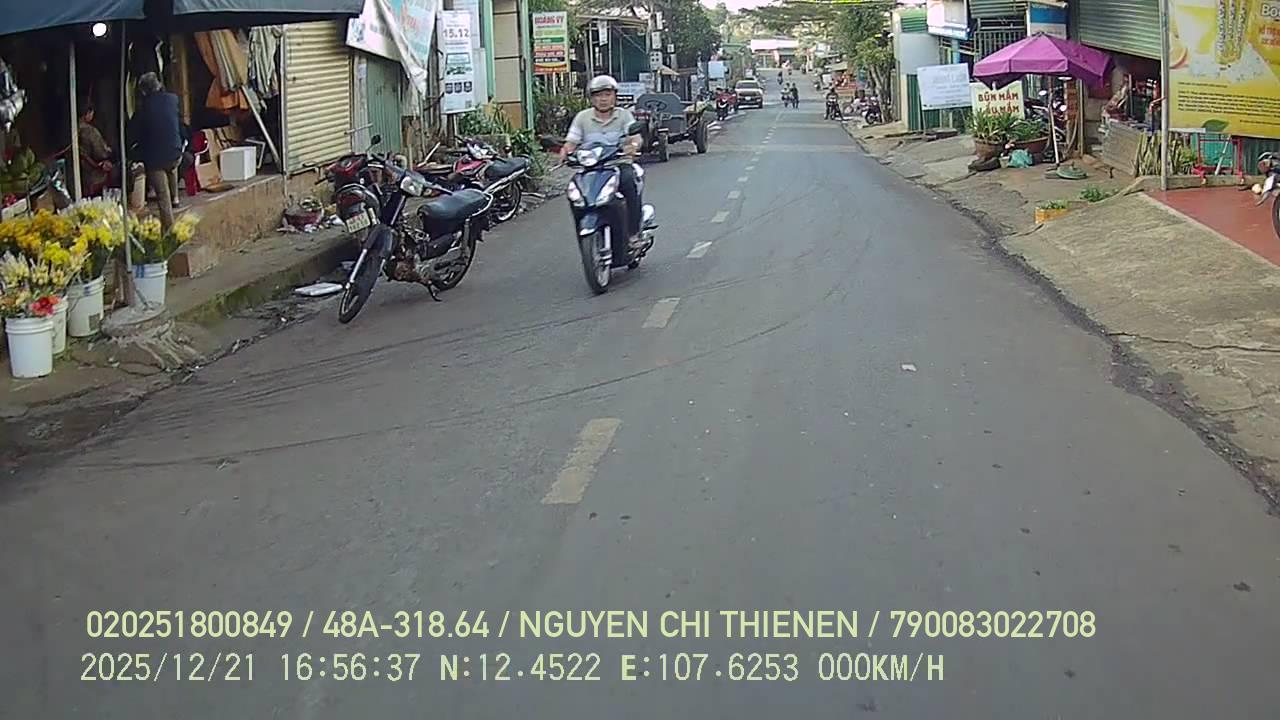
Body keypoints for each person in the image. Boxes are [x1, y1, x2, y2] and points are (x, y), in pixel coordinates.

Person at [559, 75, 644, 245]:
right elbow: (571, 142)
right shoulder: (582, 118)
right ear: (592, 98)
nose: (603, 99)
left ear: (615, 96)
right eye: (598, 95)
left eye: (607, 94)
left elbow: (635, 137)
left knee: (628, 182)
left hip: (618, 165)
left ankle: (633, 232)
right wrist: (565, 151)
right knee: (576, 192)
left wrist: (633, 146)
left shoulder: (624, 116)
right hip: (591, 168)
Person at [127, 71, 184, 232]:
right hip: (176, 153)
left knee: (162, 196)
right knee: (172, 166)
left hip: (156, 160)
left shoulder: (143, 109)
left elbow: (133, 134)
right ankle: (176, 197)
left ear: (143, 91)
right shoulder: (173, 99)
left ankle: (170, 232)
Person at [76, 105, 117, 194]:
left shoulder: (73, 130)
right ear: (87, 113)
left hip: (78, 173)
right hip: (92, 174)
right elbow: (101, 153)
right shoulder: (90, 131)